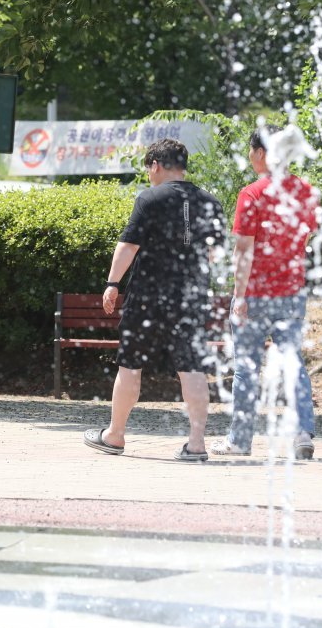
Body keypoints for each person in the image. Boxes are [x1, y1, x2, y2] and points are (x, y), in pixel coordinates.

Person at [82, 138, 226, 462]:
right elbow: (215, 255)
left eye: (149, 168)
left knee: (130, 365)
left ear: (156, 165)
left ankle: (115, 436)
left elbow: (128, 246)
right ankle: (197, 443)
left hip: (147, 296)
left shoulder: (149, 198)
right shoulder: (210, 202)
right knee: (191, 369)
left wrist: (111, 283)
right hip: (190, 297)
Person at [212, 129, 319, 460]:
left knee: (246, 366)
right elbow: (308, 233)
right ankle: (303, 432)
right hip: (292, 292)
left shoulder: (252, 194)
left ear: (260, 153)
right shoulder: (304, 190)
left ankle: (240, 441)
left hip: (256, 292)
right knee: (293, 361)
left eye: (250, 150)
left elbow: (244, 248)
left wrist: (239, 295)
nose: (249, 156)